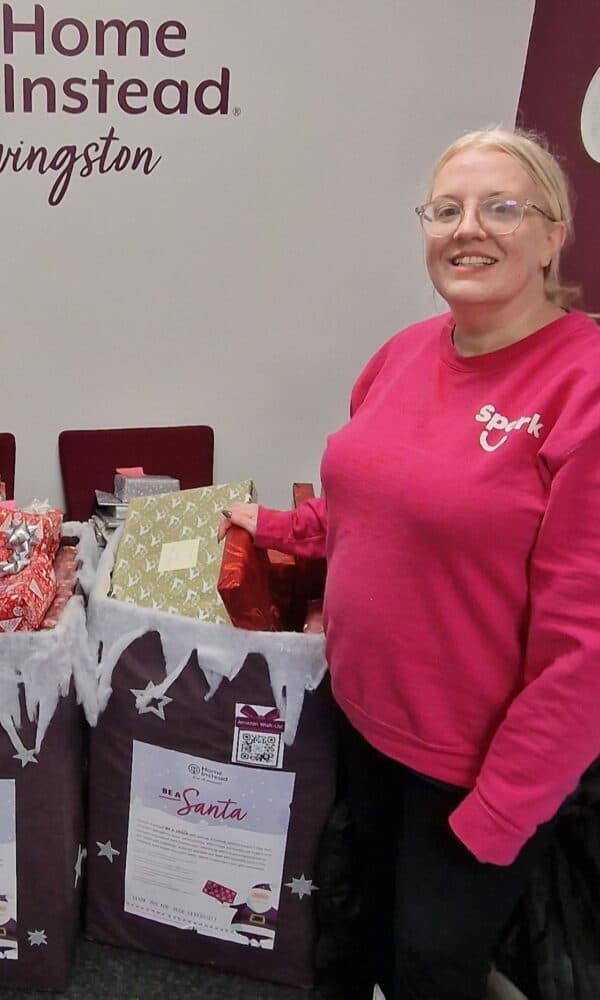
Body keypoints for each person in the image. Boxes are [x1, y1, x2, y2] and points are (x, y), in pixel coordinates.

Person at [220, 127, 600, 999]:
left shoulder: (584, 388)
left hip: (474, 767)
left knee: (430, 968)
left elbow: (587, 654)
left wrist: (501, 811)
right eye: (446, 209)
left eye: (502, 207)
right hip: (362, 722)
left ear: (553, 236)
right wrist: (280, 527)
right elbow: (369, 504)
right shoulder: (402, 353)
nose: (468, 228)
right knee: (365, 939)